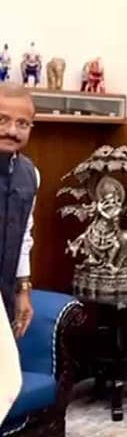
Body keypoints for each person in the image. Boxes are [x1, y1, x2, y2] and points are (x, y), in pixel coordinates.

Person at [0, 83, 38, 340]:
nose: (12, 131)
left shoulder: (30, 174)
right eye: (2, 120)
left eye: (22, 123)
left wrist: (23, 288)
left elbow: (24, 235)